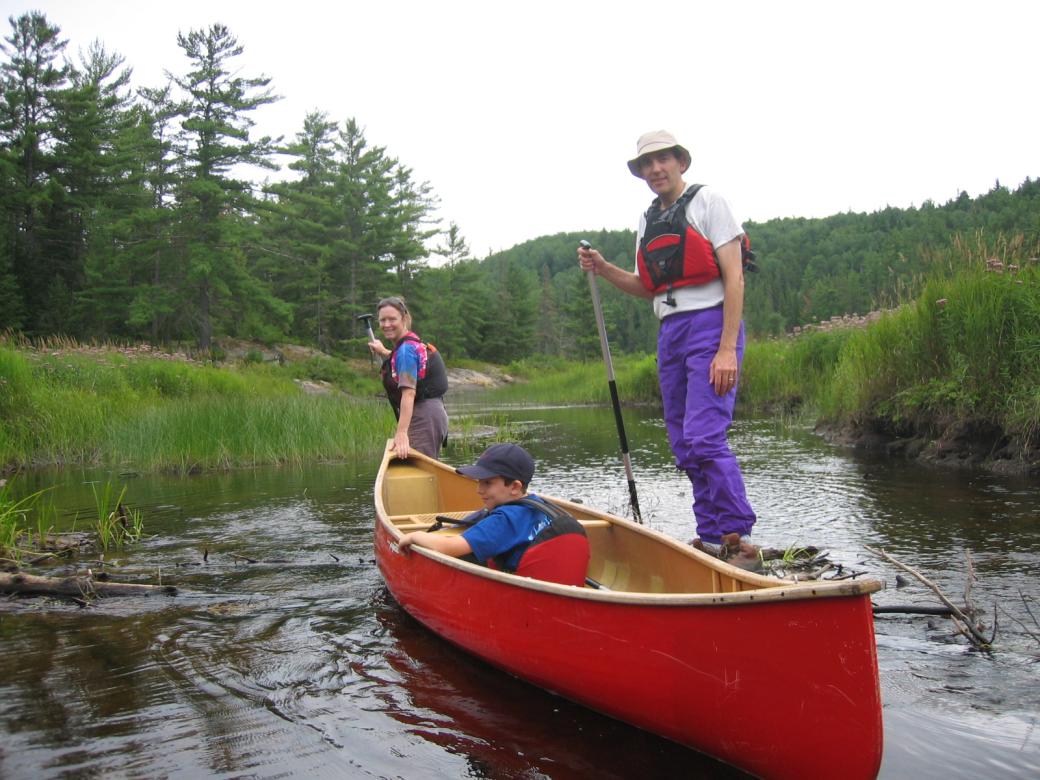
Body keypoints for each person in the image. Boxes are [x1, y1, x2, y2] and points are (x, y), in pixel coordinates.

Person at [577, 130, 758, 568]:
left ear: (681, 162)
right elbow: (647, 287)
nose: (655, 169)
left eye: (663, 160)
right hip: (671, 330)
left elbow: (734, 277)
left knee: (705, 436)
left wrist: (727, 349)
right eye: (647, 163)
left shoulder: (709, 202)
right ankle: (711, 537)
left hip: (711, 324)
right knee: (683, 442)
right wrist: (603, 268)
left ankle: (739, 540)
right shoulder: (647, 220)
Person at [397, 443, 590, 586]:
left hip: (520, 596)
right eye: (479, 482)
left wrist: (415, 535)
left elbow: (448, 547)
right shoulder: (540, 505)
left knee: (463, 555)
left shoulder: (503, 520)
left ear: (515, 487)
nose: (479, 490)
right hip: (554, 585)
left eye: (487, 483)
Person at [368, 296, 449, 459]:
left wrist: (401, 433)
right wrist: (383, 351)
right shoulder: (408, 345)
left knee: (419, 469)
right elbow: (405, 362)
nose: (386, 324)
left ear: (404, 319)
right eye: (382, 320)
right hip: (432, 412)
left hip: (424, 416)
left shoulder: (405, 350)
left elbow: (409, 393)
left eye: (392, 319)